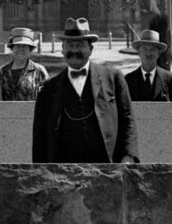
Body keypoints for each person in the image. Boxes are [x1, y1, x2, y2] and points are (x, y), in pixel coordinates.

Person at [32, 18, 137, 164]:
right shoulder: (48, 89)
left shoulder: (113, 79)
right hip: (62, 170)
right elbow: (39, 137)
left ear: (91, 49)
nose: (74, 50)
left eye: (80, 45)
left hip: (108, 168)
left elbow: (128, 120)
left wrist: (128, 157)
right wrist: (40, 171)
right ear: (62, 49)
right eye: (70, 45)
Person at [123, 30, 172, 103]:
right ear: (139, 53)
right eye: (144, 49)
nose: (148, 53)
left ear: (158, 53)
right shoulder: (128, 80)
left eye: (152, 49)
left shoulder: (170, 79)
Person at [0, 28, 47, 103]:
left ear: (30, 49)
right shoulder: (1, 72)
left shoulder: (39, 71)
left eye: (24, 46)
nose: (21, 49)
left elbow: (49, 96)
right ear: (12, 48)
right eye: (17, 46)